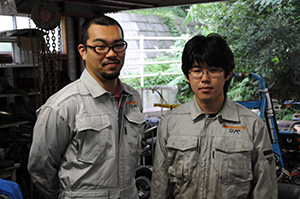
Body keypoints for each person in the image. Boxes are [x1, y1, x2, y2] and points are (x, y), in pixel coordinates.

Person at [28, 15, 146, 199]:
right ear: (83, 51)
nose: (111, 53)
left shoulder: (133, 99)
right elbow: (40, 167)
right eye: (100, 47)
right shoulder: (63, 106)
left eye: (118, 45)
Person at [150, 33, 278, 198]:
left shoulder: (252, 126)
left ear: (228, 74)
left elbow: (265, 190)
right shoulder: (170, 124)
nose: (205, 78)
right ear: (186, 76)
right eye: (197, 71)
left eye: (213, 70)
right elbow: (160, 186)